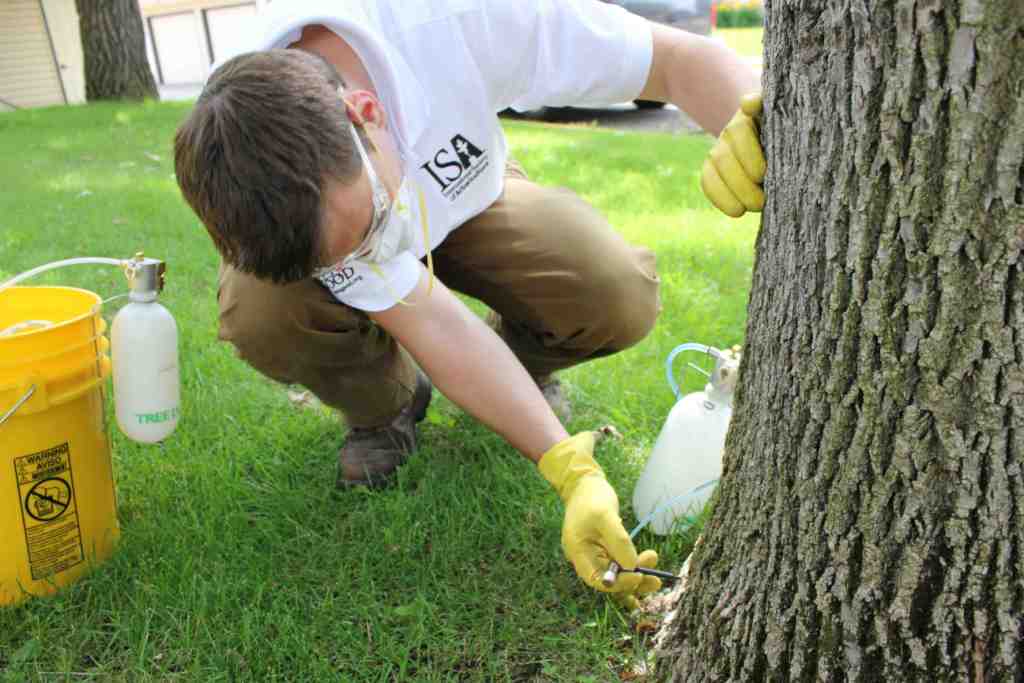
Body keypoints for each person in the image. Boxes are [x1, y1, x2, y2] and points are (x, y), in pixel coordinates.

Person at [173, 0, 765, 609]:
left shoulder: (462, 17)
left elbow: (676, 59)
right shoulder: (243, 142)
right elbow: (432, 322)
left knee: (612, 288)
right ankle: (386, 406)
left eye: (367, 232)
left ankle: (521, 363)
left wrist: (758, 131)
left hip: (469, 193)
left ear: (366, 113)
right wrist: (570, 472)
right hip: (358, 203)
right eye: (343, 261)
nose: (371, 257)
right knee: (263, 313)